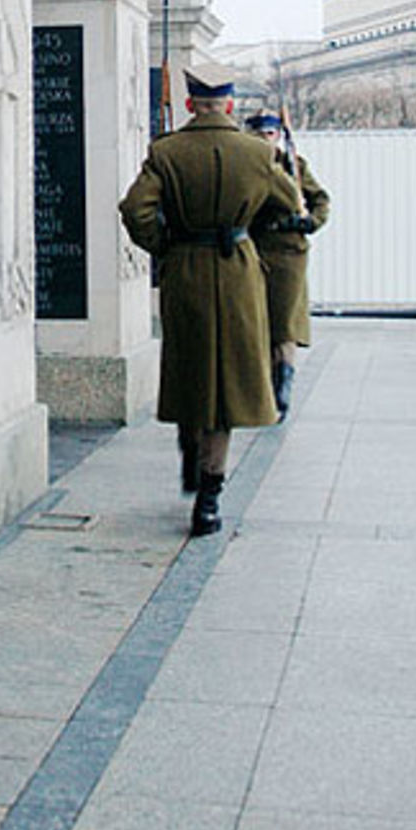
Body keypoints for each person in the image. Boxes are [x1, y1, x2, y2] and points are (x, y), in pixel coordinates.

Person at [119, 62, 302, 536]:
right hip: (238, 274)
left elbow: (135, 210)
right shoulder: (256, 154)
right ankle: (209, 500)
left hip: (186, 271)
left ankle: (189, 451)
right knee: (226, 390)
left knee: (191, 371)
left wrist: (165, 246)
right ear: (229, 104)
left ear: (188, 105)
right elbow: (293, 205)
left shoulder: (167, 151)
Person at [245, 110, 330, 420]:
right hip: (253, 248)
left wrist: (310, 222)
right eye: (259, 134)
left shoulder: (293, 165)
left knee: (284, 324)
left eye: (270, 134)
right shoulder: (246, 164)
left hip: (289, 251)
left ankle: (282, 388)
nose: (265, 140)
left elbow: (320, 199)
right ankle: (263, 390)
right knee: (256, 324)